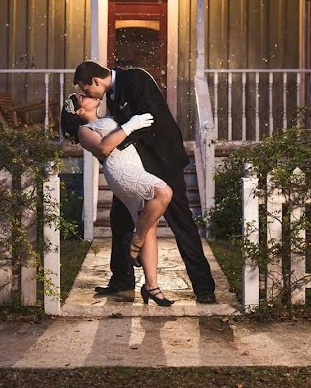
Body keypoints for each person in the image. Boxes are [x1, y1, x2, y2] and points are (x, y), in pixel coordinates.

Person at [74, 61, 217, 303]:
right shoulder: (113, 93)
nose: (87, 95)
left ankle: (204, 288)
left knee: (181, 221)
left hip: (163, 161)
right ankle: (122, 279)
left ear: (96, 81)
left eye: (87, 90)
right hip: (138, 167)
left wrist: (118, 140)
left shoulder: (136, 79)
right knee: (119, 219)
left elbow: (149, 120)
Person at [61, 93, 175, 306]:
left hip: (134, 165)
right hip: (120, 170)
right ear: (78, 111)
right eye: (81, 97)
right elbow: (104, 147)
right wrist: (130, 125)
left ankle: (151, 286)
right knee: (164, 193)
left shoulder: (108, 117)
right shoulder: (84, 131)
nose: (87, 95)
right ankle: (135, 242)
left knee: (149, 224)